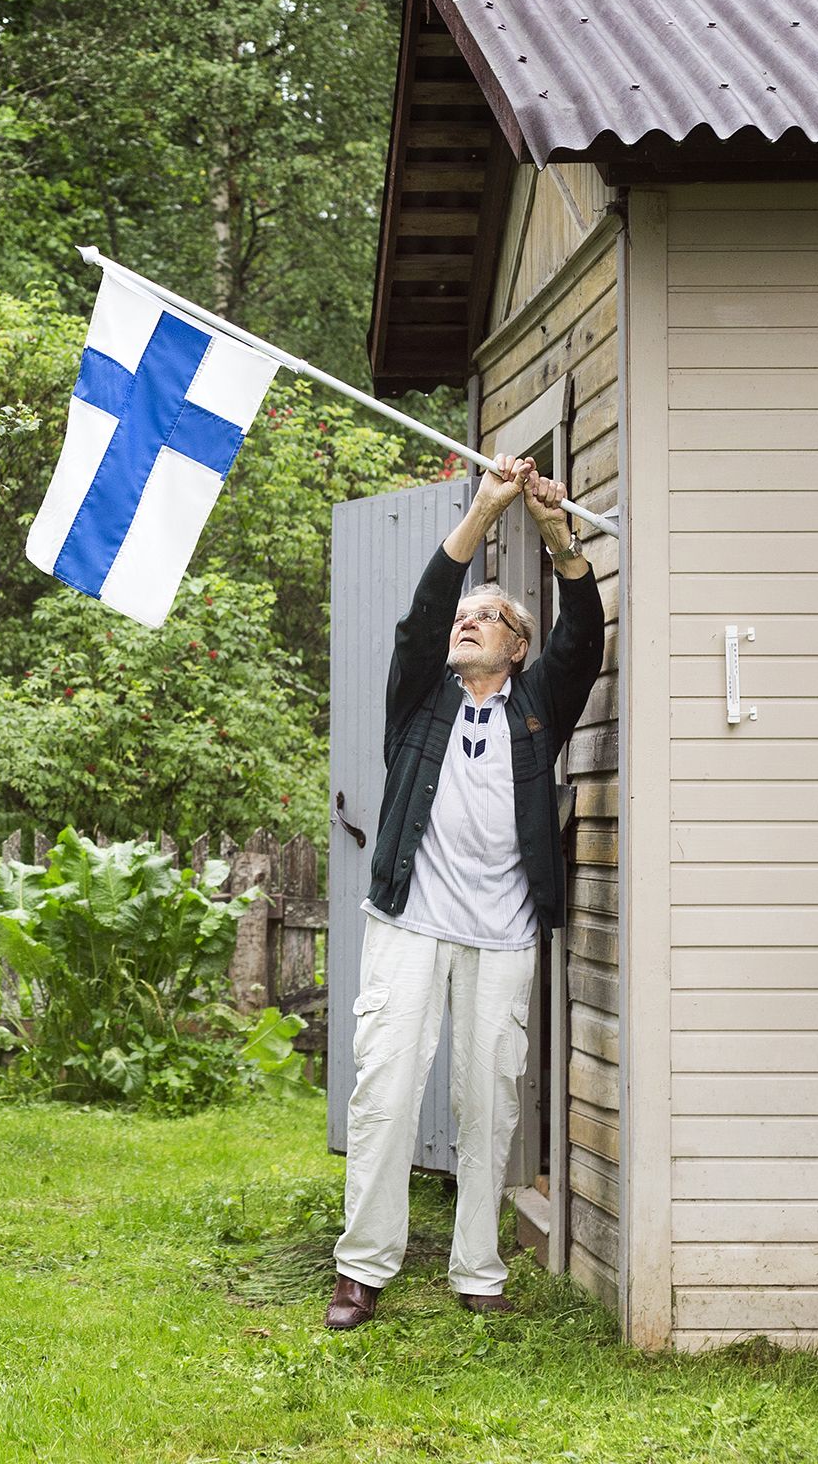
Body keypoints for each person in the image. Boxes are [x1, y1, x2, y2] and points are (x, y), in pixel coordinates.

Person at [326, 458, 603, 1330]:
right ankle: (362, 1266)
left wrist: (560, 539)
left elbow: (583, 636)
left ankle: (476, 1265)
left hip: (504, 931)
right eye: (466, 617)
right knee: (385, 1086)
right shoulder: (419, 700)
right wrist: (485, 510)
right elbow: (417, 620)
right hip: (411, 920)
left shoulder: (538, 706)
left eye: (492, 618)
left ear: (518, 647)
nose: (471, 624)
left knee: (487, 1099)